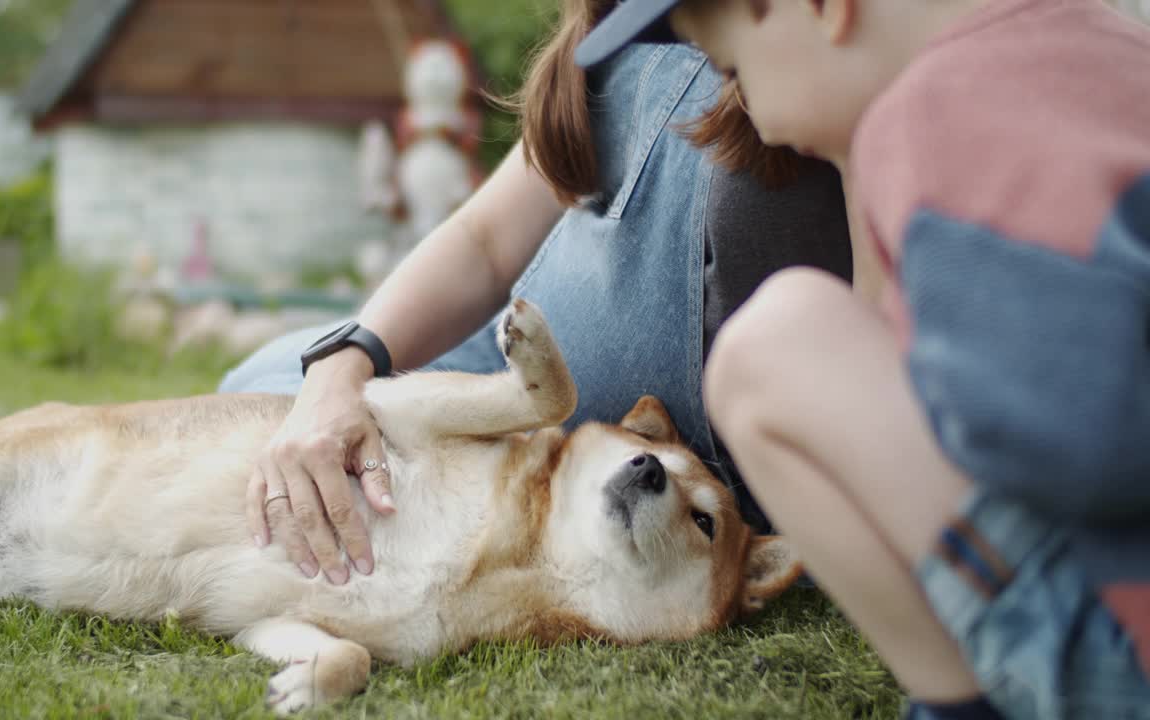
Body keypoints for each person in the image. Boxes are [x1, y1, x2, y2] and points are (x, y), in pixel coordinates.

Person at [573, 0, 1150, 718]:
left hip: (1112, 643)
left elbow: (1087, 430)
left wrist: (933, 406)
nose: (757, 118)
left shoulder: (929, 115)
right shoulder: (1104, 47)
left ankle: (961, 702)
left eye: (736, 71)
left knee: (767, 355)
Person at [218, 0, 855, 588]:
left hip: (635, 486)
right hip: (503, 372)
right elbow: (486, 241)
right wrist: (346, 362)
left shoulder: (806, 56)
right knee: (267, 385)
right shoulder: (615, 34)